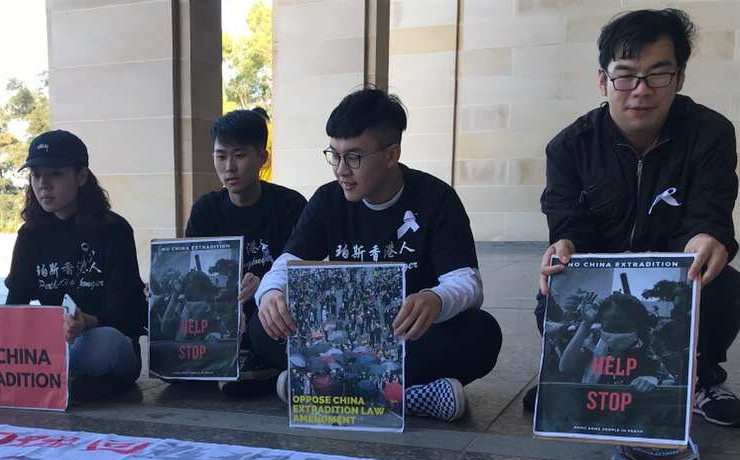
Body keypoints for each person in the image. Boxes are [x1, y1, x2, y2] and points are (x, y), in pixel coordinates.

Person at [533, 8, 740, 427]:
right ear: (603, 80)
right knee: (553, 296)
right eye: (625, 75)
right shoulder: (570, 147)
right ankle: (567, 375)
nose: (640, 90)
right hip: (608, 281)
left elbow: (711, 208)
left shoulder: (710, 133)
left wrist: (708, 236)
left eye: (658, 74)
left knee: (725, 286)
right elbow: (566, 220)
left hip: (674, 273)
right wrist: (564, 247)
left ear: (679, 78)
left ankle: (701, 378)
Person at [254, 88, 502, 421]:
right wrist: (271, 293)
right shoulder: (328, 200)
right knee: (260, 326)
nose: (341, 170)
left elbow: (467, 282)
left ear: (391, 154)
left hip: (408, 335)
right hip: (341, 339)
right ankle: (412, 397)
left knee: (481, 334)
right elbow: (287, 262)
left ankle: (323, 390)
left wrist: (434, 300)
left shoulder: (435, 199)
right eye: (334, 155)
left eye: (354, 157)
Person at [0, 130, 147, 402]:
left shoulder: (113, 230)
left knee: (106, 345)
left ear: (81, 177)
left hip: (95, 341)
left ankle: (5, 382)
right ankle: (60, 384)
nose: (43, 184)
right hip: (48, 347)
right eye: (35, 175)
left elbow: (131, 316)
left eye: (55, 174)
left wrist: (86, 322)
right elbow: (15, 306)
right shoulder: (30, 234)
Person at [185, 108, 307, 395]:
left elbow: (304, 270)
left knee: (269, 318)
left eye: (239, 156)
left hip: (271, 316)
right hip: (220, 313)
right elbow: (194, 271)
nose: (229, 167)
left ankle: (257, 366)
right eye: (221, 156)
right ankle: (252, 369)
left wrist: (265, 283)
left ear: (262, 158)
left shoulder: (289, 206)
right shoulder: (206, 210)